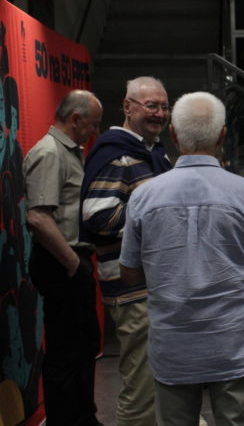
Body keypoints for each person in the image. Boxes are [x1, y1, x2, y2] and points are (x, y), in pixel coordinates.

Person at [119, 92, 244, 426]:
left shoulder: (143, 197)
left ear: (173, 135)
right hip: (234, 343)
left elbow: (129, 273)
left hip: (173, 345)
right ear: (222, 136)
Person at [80, 76, 172, 426]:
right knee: (142, 389)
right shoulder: (117, 155)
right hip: (131, 289)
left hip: (153, 286)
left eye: (164, 107)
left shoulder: (154, 153)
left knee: (166, 383)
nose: (159, 113)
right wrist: (158, 219)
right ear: (128, 107)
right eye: (151, 105)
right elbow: (98, 216)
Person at [23, 90, 104, 426]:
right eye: (93, 124)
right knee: (65, 350)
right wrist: (72, 264)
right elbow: (38, 217)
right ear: (75, 119)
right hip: (60, 262)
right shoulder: (50, 153)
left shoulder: (68, 152)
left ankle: (83, 417)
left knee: (83, 344)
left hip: (71, 261)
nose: (95, 132)